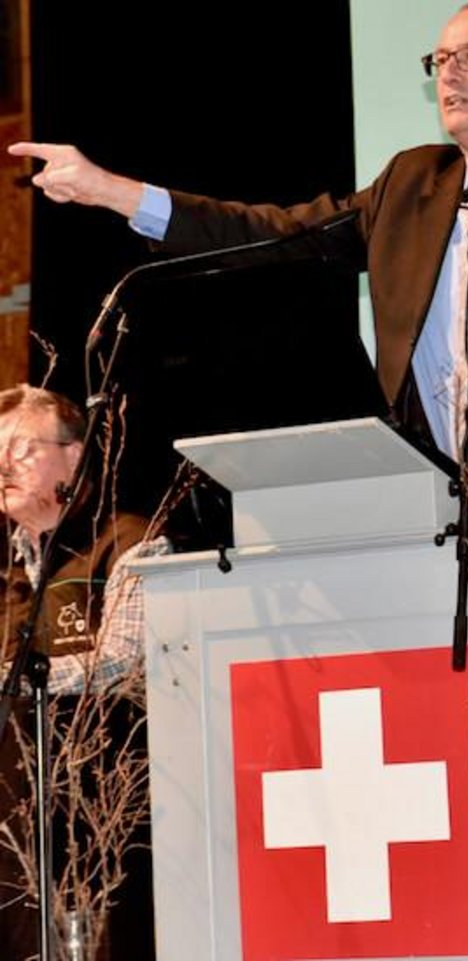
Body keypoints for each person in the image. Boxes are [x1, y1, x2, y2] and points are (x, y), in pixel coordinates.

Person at [7, 2, 468, 522]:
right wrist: (112, 190)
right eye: (440, 59)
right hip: (466, 510)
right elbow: (271, 233)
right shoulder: (412, 186)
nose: (449, 72)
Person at [0, 385, 167, 961]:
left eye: (21, 449)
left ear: (73, 456)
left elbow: (125, 657)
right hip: (15, 829)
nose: (3, 466)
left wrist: (18, 677)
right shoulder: (6, 564)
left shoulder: (130, 542)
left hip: (106, 822)